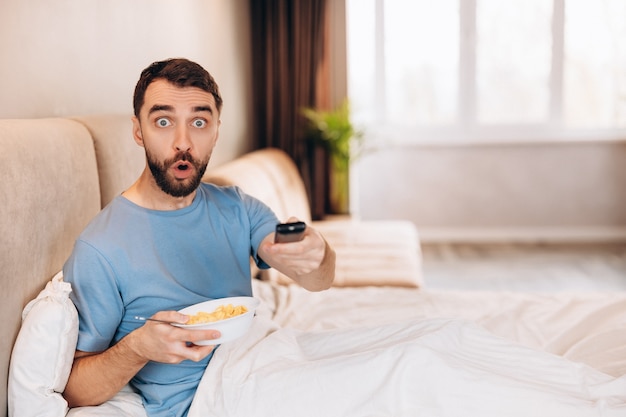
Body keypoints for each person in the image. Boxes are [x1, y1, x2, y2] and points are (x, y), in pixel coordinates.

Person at [61, 58, 336, 417]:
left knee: (424, 352)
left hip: (266, 363)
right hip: (213, 401)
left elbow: (319, 280)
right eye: (163, 121)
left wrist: (316, 253)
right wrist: (137, 348)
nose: (183, 142)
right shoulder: (100, 248)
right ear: (138, 130)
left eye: (199, 122)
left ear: (216, 130)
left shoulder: (237, 207)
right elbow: (73, 391)